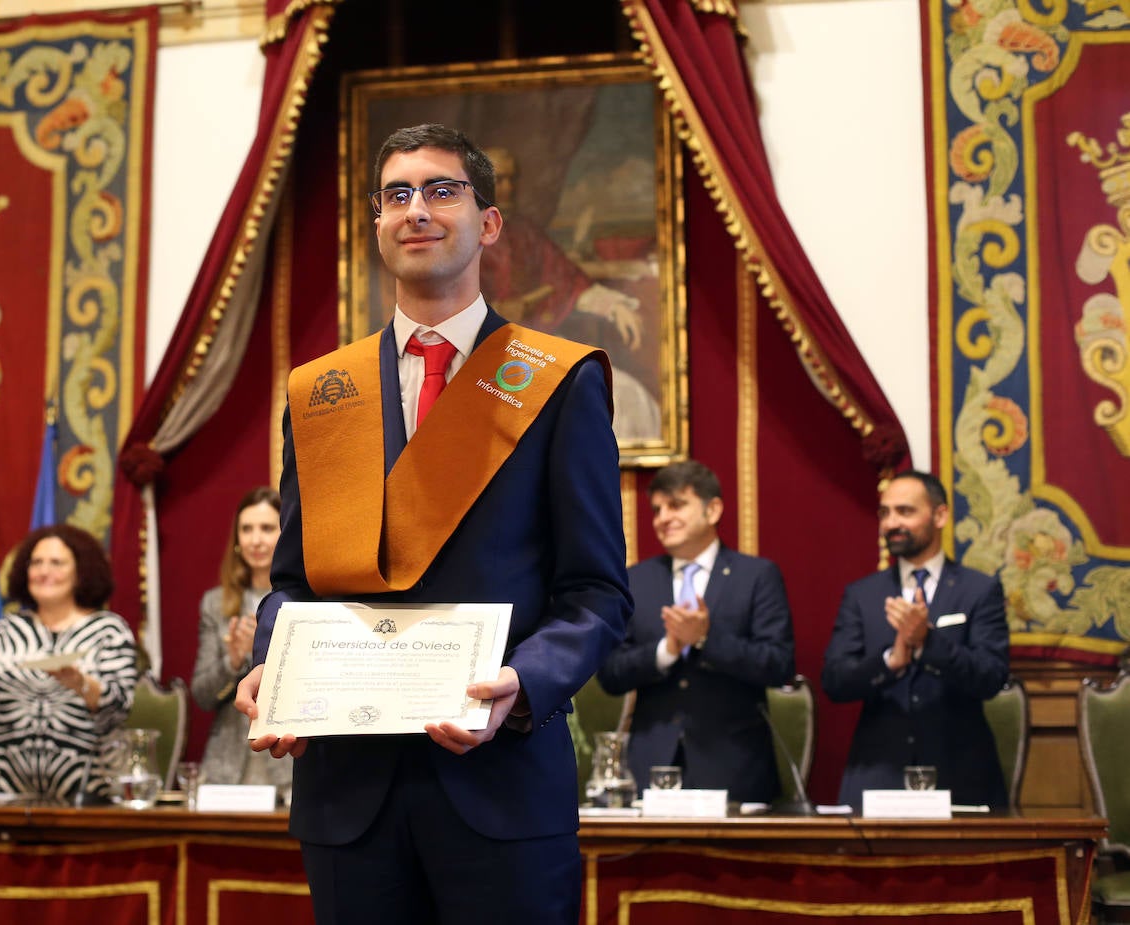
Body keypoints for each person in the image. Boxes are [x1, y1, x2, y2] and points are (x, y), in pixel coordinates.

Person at [234, 123, 632, 924]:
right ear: (378, 225)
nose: (417, 210)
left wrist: (523, 683)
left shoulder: (556, 382)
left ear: (488, 223)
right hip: (347, 794)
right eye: (397, 195)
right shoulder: (321, 391)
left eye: (442, 190)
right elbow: (291, 585)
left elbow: (595, 593)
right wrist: (274, 666)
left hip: (502, 786)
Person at [597, 459, 795, 803]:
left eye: (676, 505)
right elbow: (610, 675)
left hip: (734, 767)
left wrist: (705, 639)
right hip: (650, 767)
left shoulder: (757, 576)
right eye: (657, 509)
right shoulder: (635, 581)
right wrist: (668, 650)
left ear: (713, 509)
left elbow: (779, 665)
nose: (662, 518)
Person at [822, 470, 1010, 809]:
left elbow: (991, 677)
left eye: (905, 511)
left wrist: (927, 642)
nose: (891, 523)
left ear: (940, 515)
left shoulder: (979, 590)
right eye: (884, 513)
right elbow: (835, 681)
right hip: (878, 772)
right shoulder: (863, 594)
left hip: (960, 772)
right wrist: (890, 661)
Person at [0, 524, 138, 801]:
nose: (44, 571)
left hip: (86, 797)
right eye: (37, 562)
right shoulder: (6, 630)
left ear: (81, 571)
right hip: (7, 794)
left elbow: (119, 708)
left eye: (57, 563)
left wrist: (81, 684)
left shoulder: (109, 631)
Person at [190, 487, 291, 800]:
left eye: (266, 528)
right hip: (227, 768)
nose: (255, 540)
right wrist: (232, 662)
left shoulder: (302, 603)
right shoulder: (216, 604)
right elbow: (202, 696)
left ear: (285, 533)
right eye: (246, 529)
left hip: (287, 764)